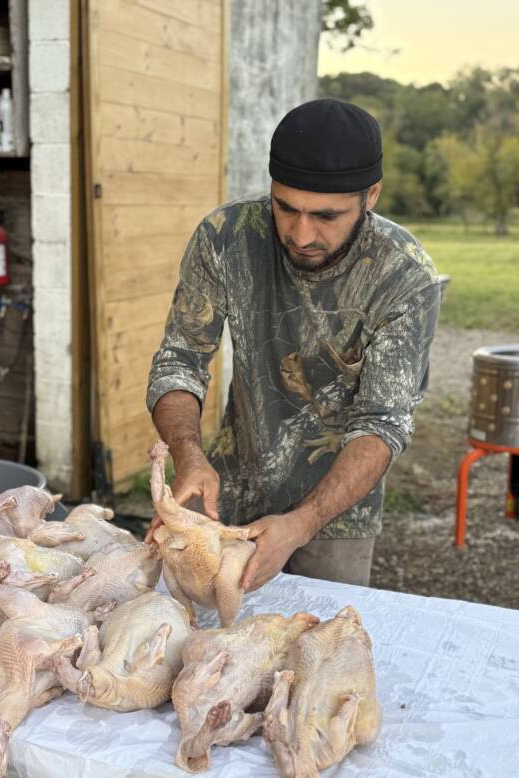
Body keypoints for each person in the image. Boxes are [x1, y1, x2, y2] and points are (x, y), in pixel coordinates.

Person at [145, 98, 441, 591]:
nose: (302, 234)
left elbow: (381, 424)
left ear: (371, 195)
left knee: (317, 641)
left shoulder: (404, 277)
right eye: (286, 208)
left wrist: (302, 523)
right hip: (230, 485)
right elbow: (180, 360)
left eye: (326, 215)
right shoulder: (226, 237)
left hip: (337, 514)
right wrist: (189, 455)